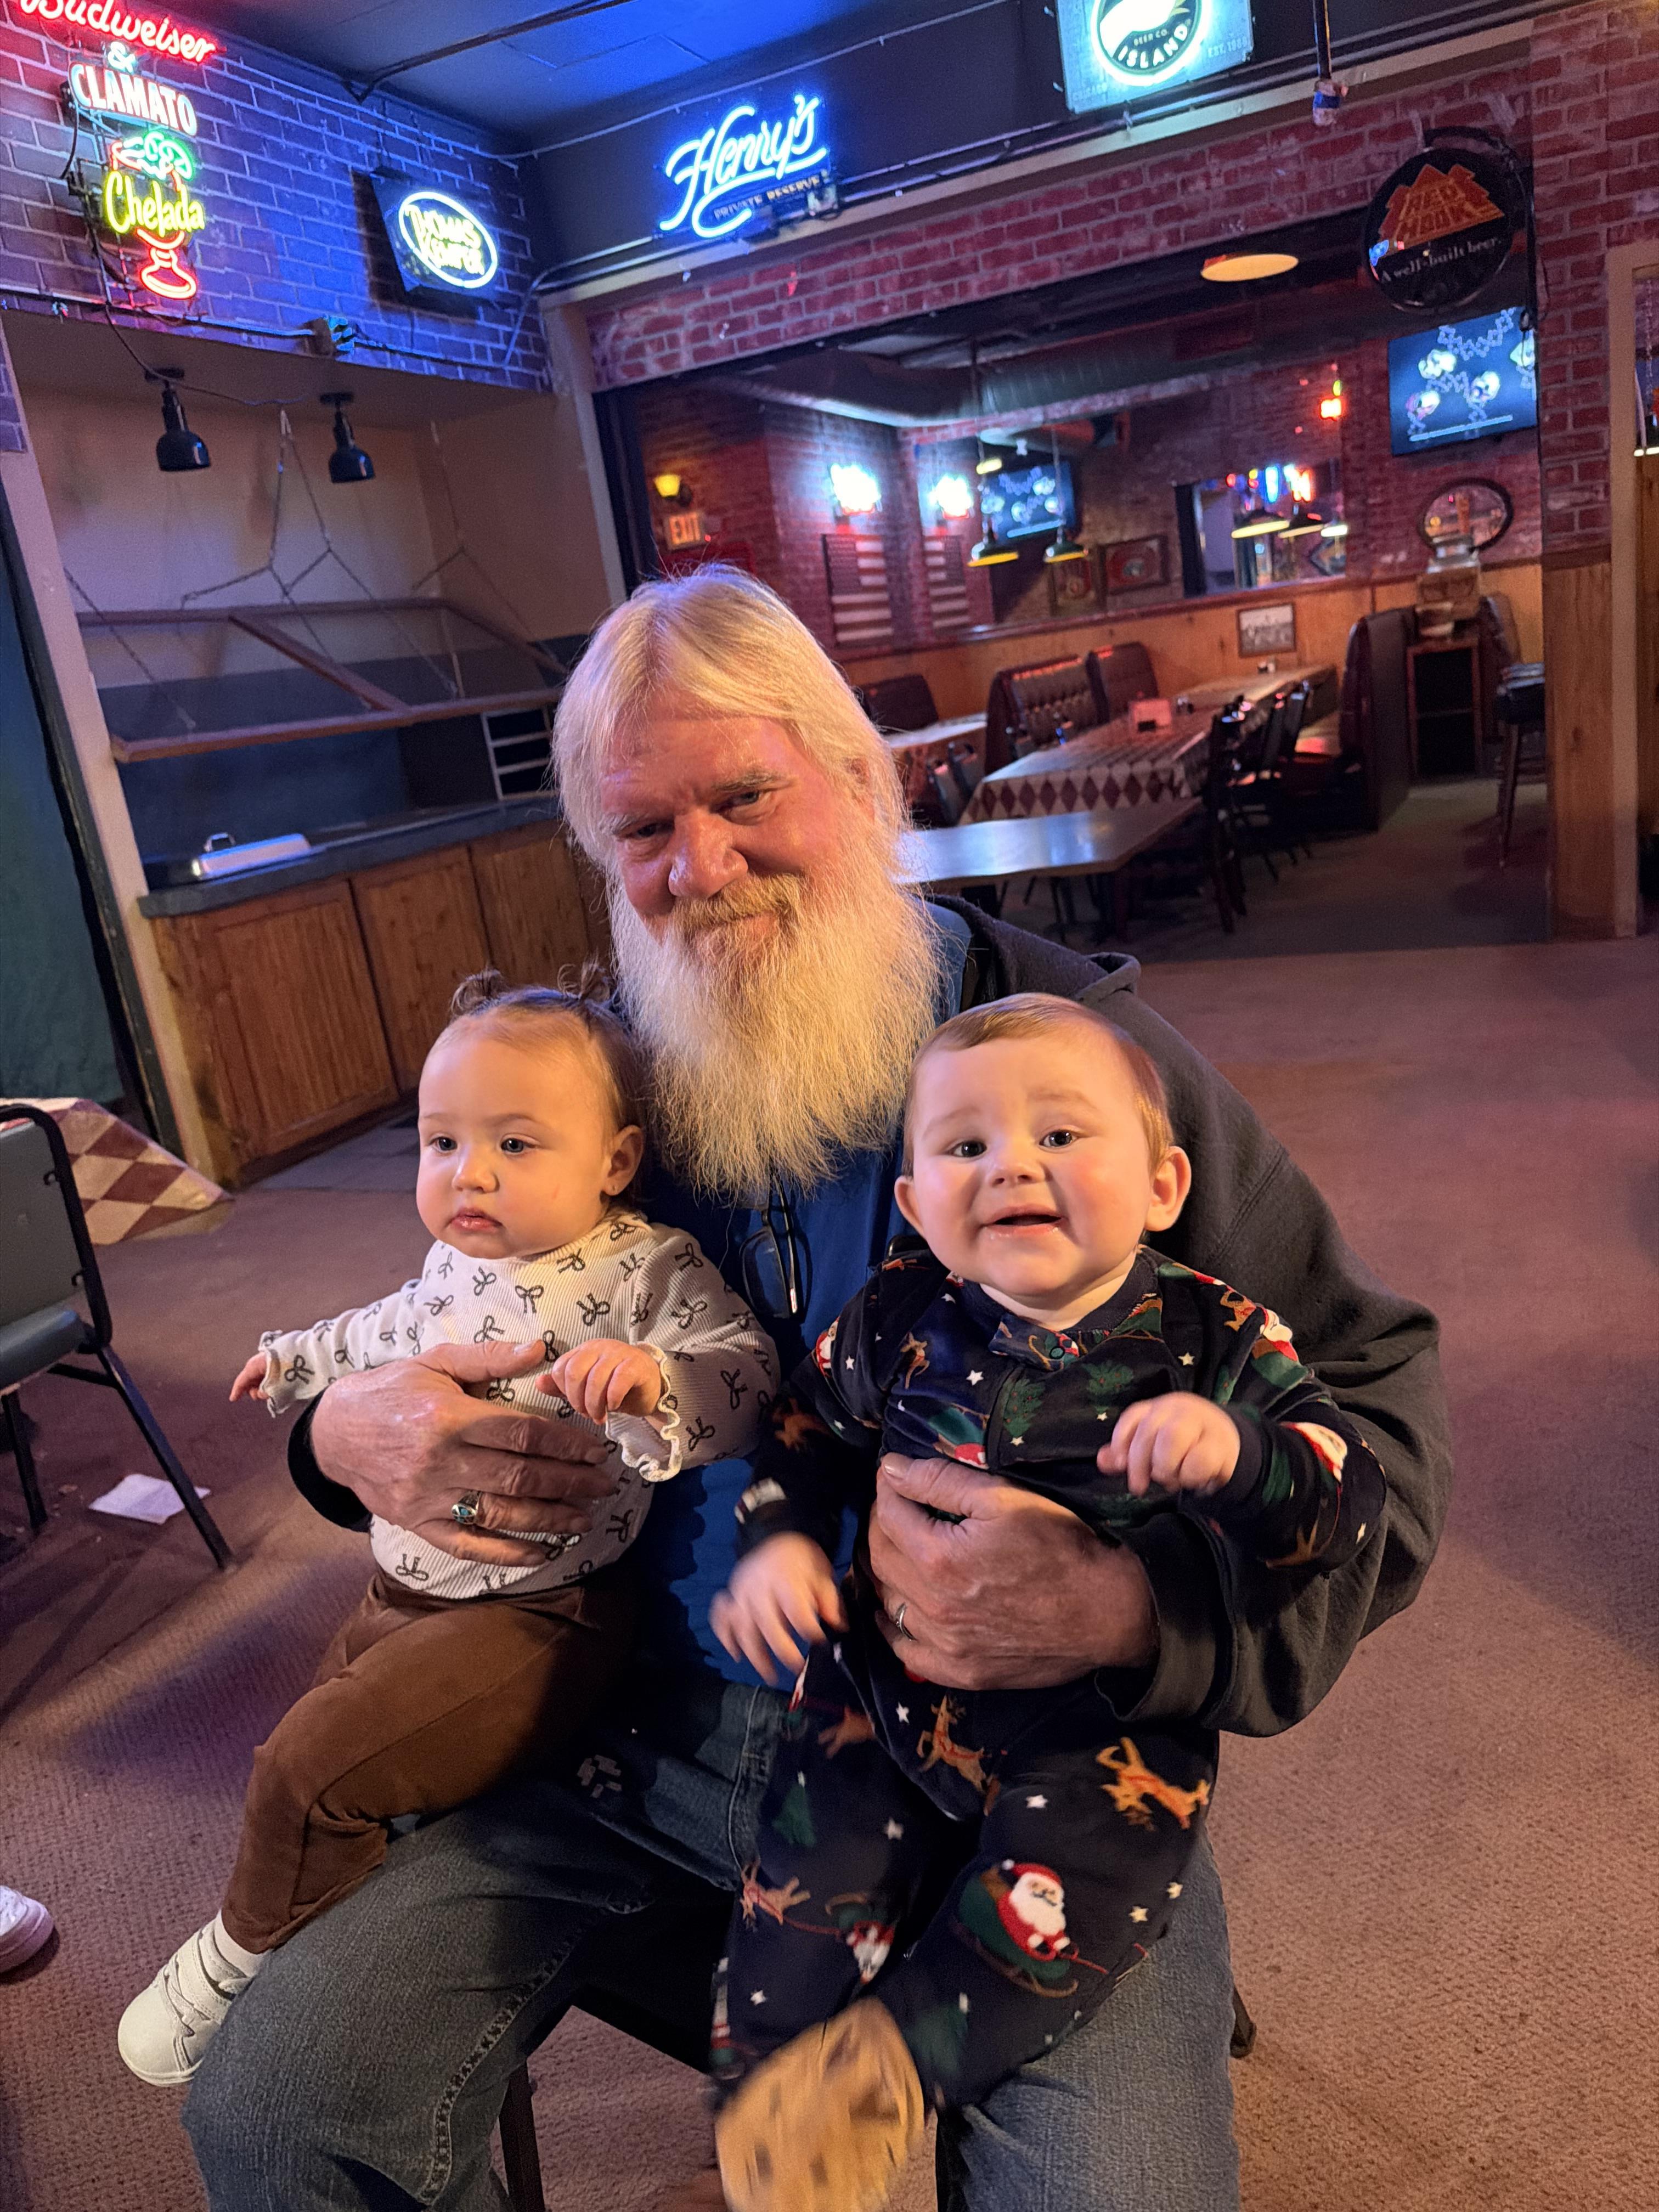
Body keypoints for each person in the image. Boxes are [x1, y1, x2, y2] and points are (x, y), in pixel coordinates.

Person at [183, 568, 1450, 2212]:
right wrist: (338, 1440)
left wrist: (1144, 1621)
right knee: (275, 2114)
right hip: (609, 1731)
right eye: (640, 830)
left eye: (742, 797)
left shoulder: (1063, 1079)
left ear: (865, 782)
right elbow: (436, 1314)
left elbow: (1374, 1403)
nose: (696, 870)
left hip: (1019, 1786)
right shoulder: (597, 1078)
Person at [706, 995, 1388, 2210]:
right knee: (786, 1928)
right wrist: (779, 1544)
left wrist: (1237, 1453)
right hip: (880, 1702)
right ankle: (770, 2131)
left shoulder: (1216, 1336)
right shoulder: (901, 1316)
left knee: (1060, 1923)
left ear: (1165, 1182)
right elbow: (801, 1428)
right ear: (916, 1207)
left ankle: (900, 2069)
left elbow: (1345, 1502)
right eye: (965, 1148)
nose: (1012, 1163)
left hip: (1100, 1738)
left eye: (1062, 1137)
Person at [120, 969, 772, 2088]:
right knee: (343, 1741)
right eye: (441, 1143)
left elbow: (750, 1376)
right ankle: (335, 1936)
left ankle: (232, 1961)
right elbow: (386, 1328)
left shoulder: (644, 1265)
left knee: (306, 1767)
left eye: (516, 1146)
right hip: (401, 1593)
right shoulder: (456, 1261)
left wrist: (657, 1381)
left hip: (537, 1618)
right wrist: (300, 1364)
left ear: (613, 1162)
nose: (469, 1174)